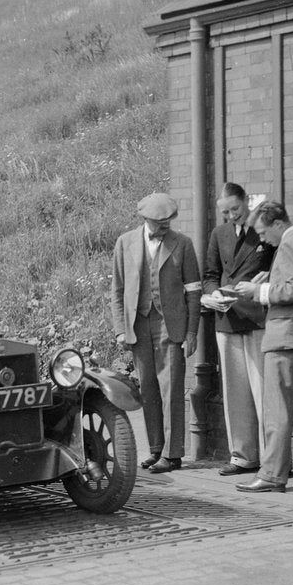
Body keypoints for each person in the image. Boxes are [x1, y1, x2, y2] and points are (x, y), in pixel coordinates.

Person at [233, 201, 293, 492]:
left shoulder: (288, 245)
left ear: (277, 223)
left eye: (263, 233)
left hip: (285, 339)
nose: (263, 240)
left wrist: (258, 290)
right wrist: (272, 279)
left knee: (277, 409)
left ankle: (272, 474)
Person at [111, 193, 202, 473]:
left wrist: (191, 332)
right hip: (138, 325)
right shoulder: (124, 243)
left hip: (170, 325)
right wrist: (120, 330)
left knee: (171, 388)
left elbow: (194, 291)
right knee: (148, 388)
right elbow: (117, 290)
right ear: (145, 219)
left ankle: (172, 455)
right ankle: (155, 448)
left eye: (168, 222)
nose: (165, 227)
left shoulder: (183, 244)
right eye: (160, 223)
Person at [201, 183, 275, 476]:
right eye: (226, 212)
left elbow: (278, 269)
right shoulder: (219, 234)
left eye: (236, 209)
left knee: (263, 390)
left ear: (246, 201)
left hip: (257, 319)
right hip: (227, 320)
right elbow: (210, 275)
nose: (232, 215)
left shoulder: (263, 231)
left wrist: (265, 282)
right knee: (235, 392)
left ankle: (271, 459)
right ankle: (243, 456)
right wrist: (212, 294)